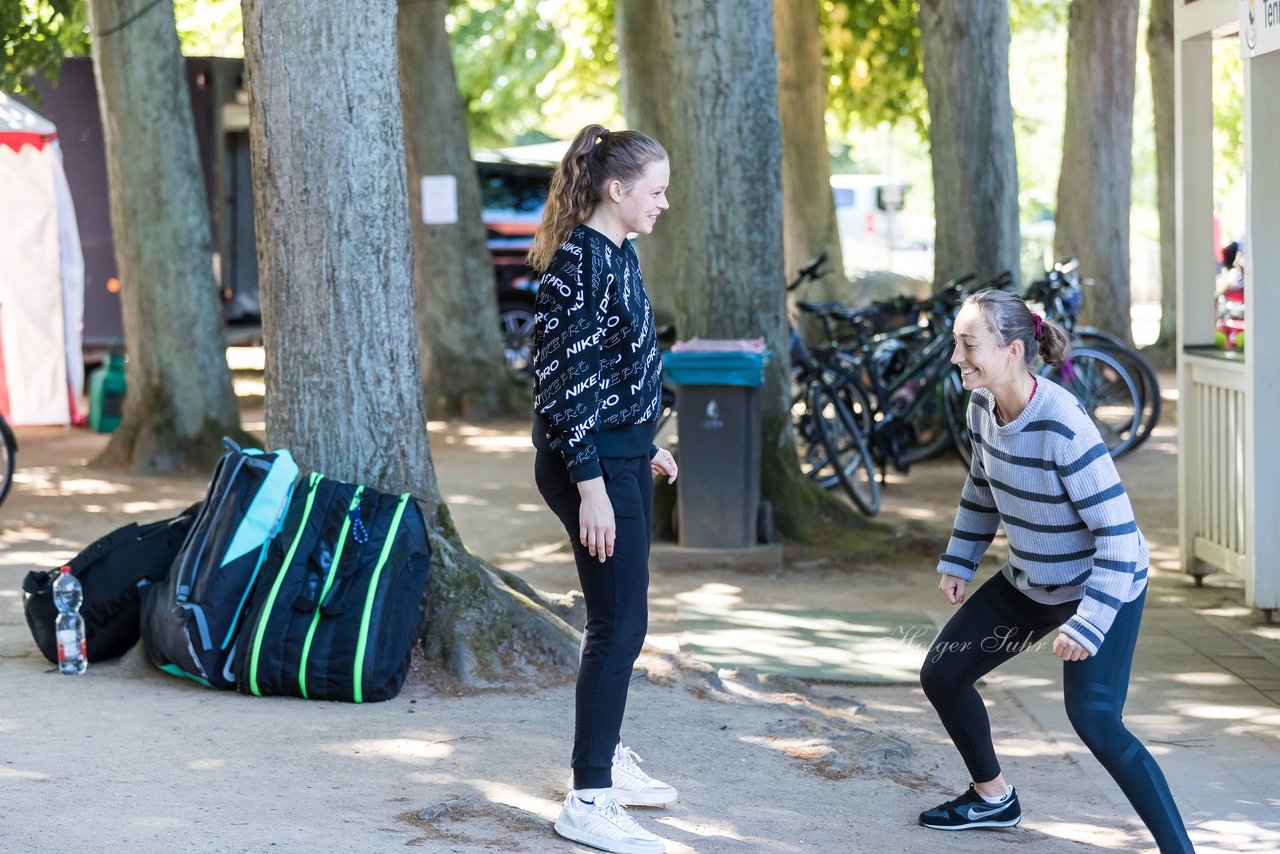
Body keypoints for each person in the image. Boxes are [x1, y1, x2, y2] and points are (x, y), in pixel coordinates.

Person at [918, 289, 1194, 852]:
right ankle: (993, 798)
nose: (955, 358)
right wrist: (961, 558)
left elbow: (1118, 539)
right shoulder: (980, 408)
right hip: (1031, 579)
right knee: (943, 674)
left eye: (968, 345)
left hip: (1102, 586)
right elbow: (981, 486)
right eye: (955, 343)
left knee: (1095, 719)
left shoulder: (1065, 425)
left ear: (1012, 350)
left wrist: (1088, 622)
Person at [527, 123, 678, 854]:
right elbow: (566, 386)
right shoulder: (577, 266)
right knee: (617, 624)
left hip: (620, 459)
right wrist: (592, 486)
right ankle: (588, 798)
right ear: (616, 191)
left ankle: (607, 757)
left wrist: (643, 445)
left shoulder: (619, 252)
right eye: (655, 191)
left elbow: (620, 366)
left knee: (627, 618)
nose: (664, 203)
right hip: (590, 468)